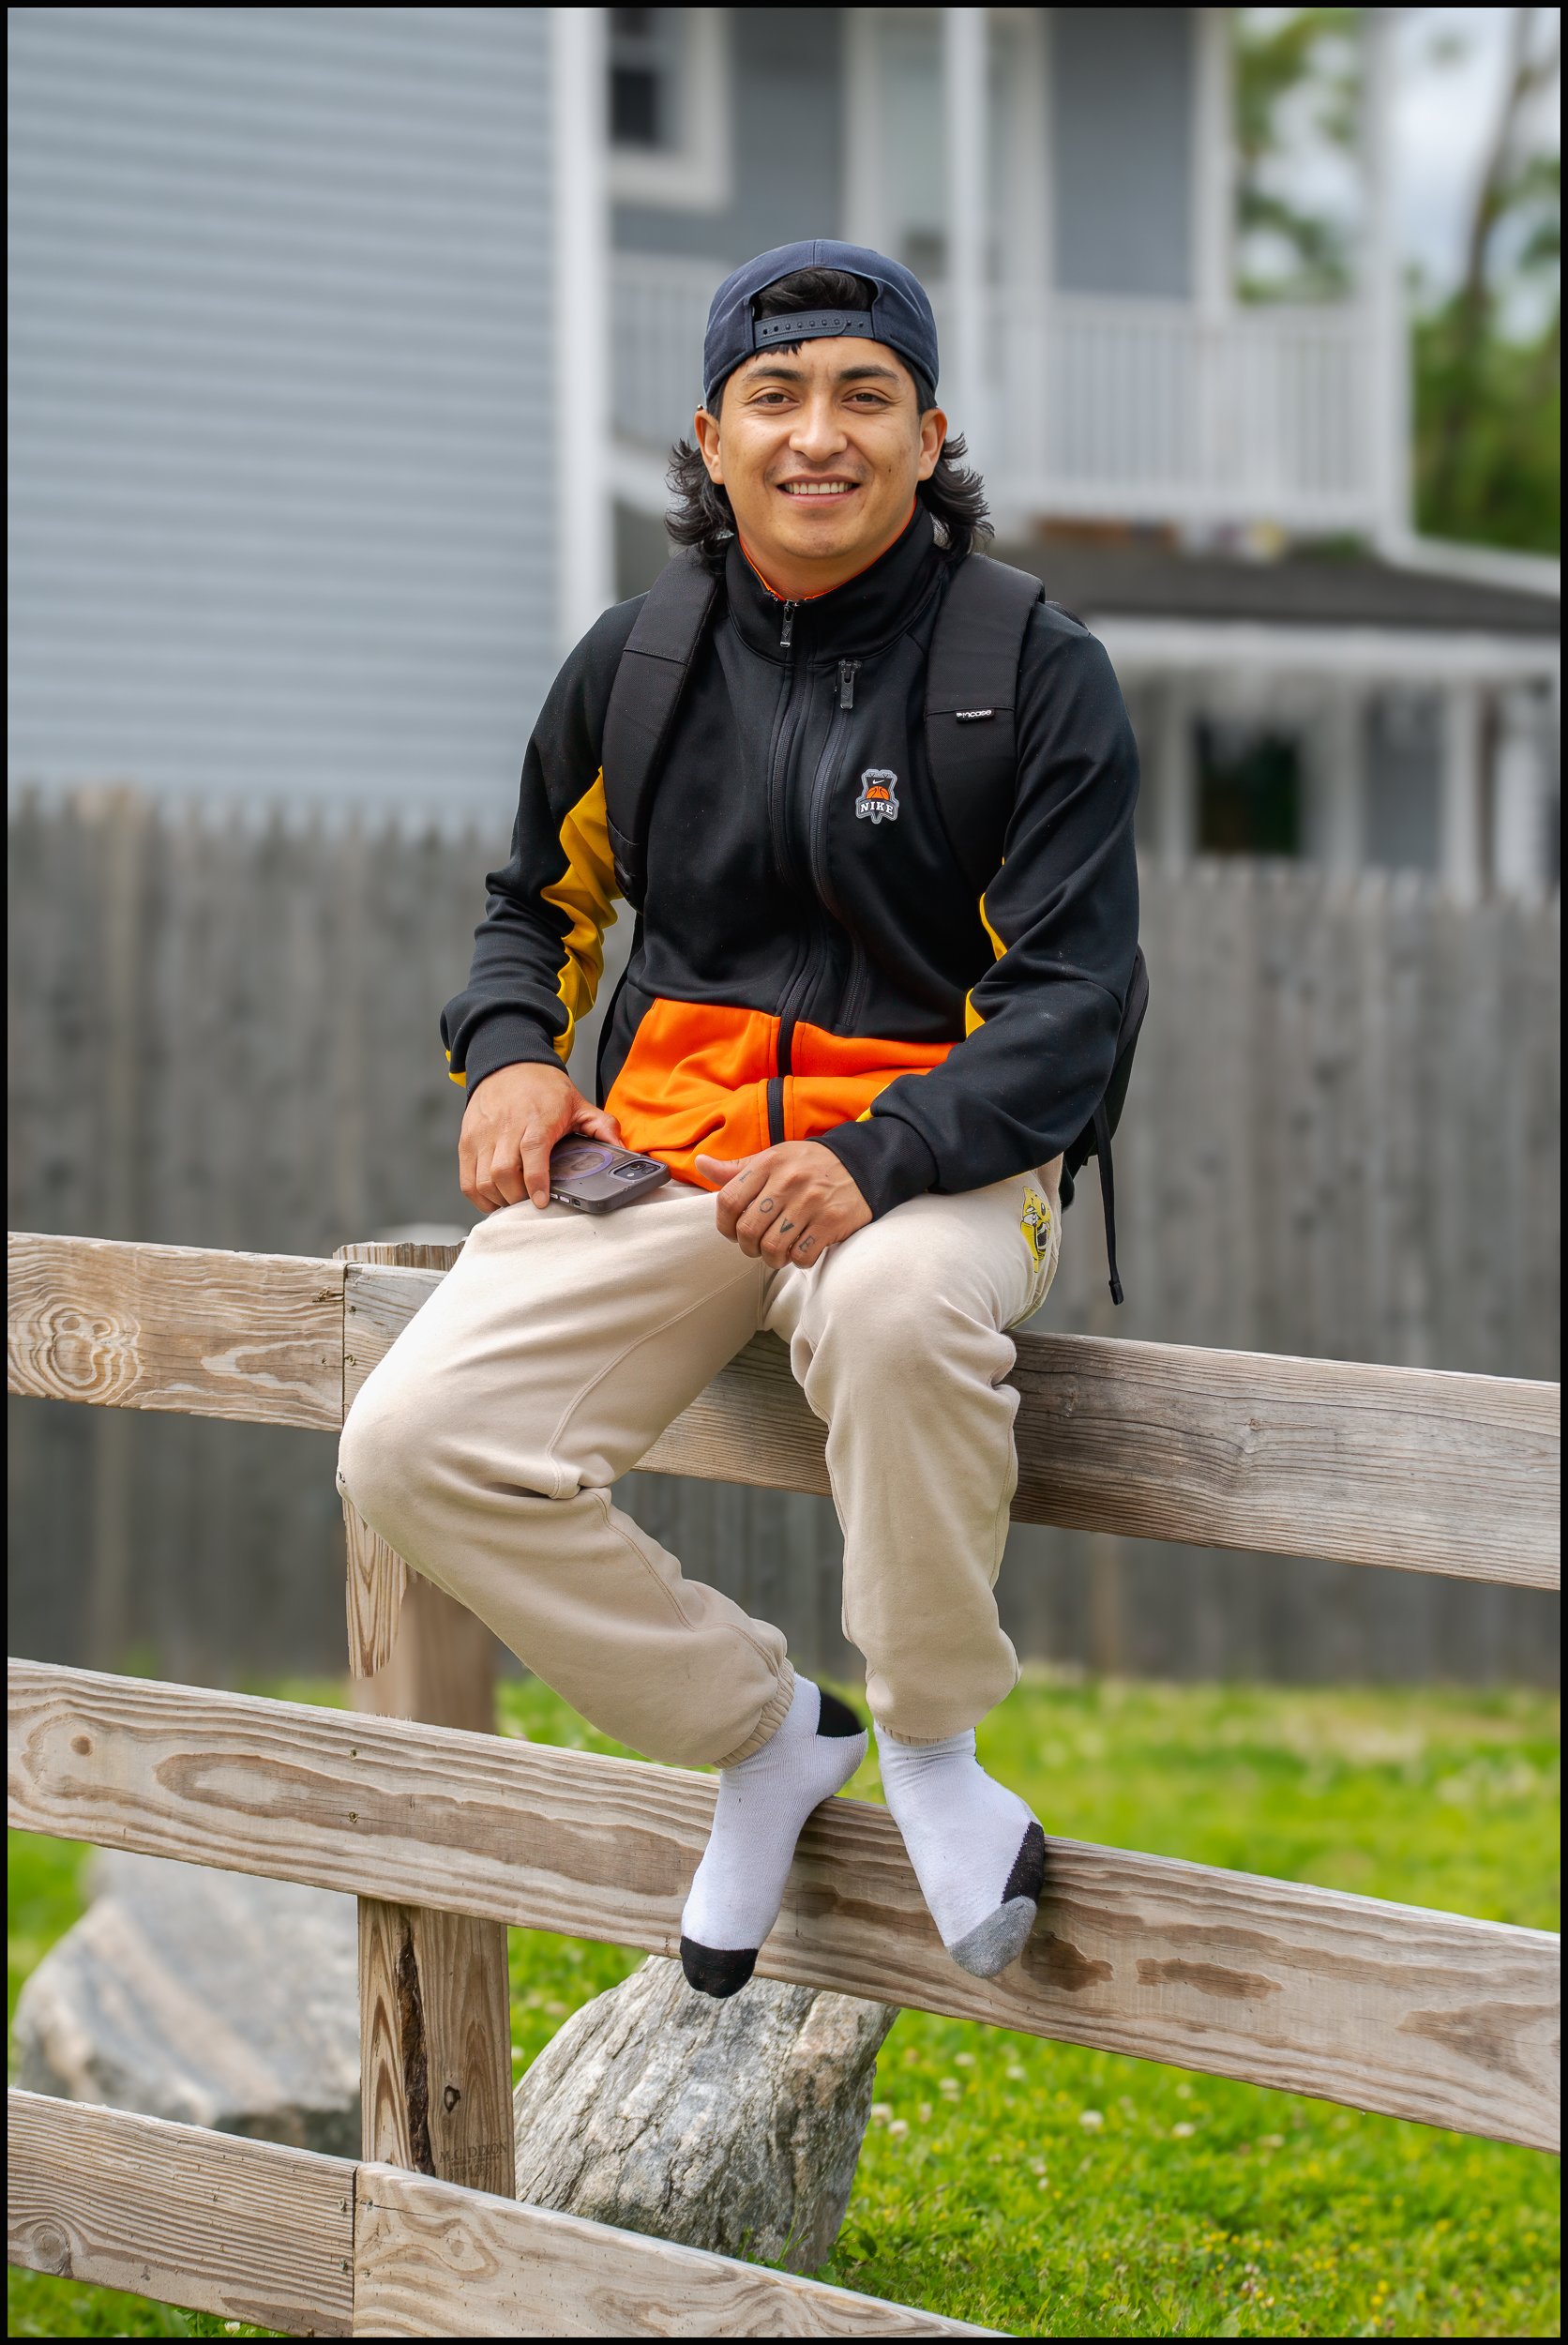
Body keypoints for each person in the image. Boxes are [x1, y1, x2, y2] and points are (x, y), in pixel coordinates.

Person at [338, 239, 1140, 1998]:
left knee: (892, 1304)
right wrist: (511, 1060)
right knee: (409, 1448)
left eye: (864, 397)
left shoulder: (1031, 670)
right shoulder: (636, 664)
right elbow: (527, 908)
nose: (817, 436)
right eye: (774, 399)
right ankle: (766, 1731)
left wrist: (873, 1159)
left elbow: (1074, 1007)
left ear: (930, 435)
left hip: (932, 1162)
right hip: (670, 1157)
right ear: (709, 439)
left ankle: (931, 1746)